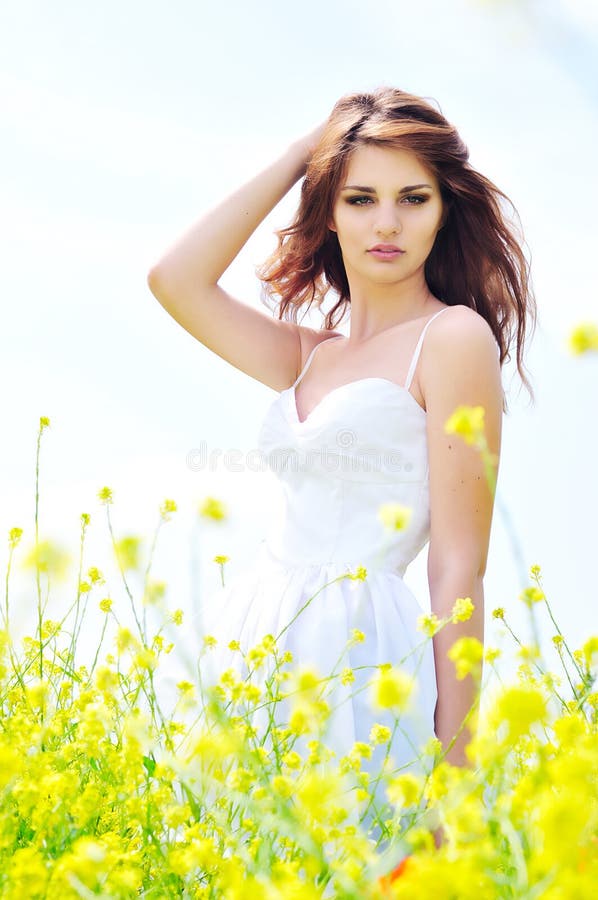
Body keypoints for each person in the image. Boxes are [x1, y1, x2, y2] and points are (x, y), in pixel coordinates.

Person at [147, 86, 536, 845]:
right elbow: (174, 279)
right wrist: (304, 155)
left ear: (443, 211)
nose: (386, 223)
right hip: (253, 634)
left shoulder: (453, 340)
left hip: (363, 652)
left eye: (412, 199)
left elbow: (460, 566)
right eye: (359, 198)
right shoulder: (309, 353)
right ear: (328, 209)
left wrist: (454, 776)